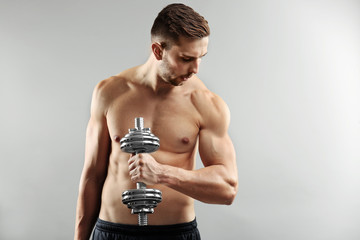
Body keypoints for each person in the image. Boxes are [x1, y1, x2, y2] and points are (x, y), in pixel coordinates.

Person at [74, 3, 238, 240]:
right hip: (112, 232)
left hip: (175, 233)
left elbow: (227, 189)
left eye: (201, 58)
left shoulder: (204, 103)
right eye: (186, 58)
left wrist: (162, 173)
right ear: (158, 50)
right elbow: (92, 176)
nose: (195, 69)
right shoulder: (109, 92)